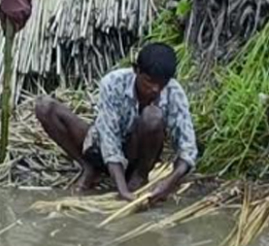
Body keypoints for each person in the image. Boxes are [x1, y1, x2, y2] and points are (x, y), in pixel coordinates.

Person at [35, 43, 198, 204]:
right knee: (45, 106)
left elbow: (188, 148)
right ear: (136, 70)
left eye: (161, 83)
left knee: (152, 116)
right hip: (101, 147)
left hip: (136, 154)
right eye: (149, 81)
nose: (155, 89)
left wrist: (169, 182)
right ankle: (89, 167)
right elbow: (108, 139)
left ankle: (139, 177)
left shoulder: (174, 92)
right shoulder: (113, 82)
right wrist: (122, 190)